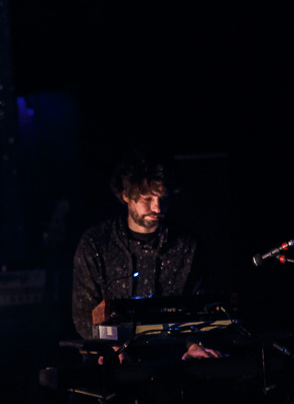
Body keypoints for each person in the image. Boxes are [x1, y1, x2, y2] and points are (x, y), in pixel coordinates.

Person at [71, 149, 220, 360]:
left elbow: (199, 307)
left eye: (162, 198)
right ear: (126, 195)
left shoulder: (186, 245)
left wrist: (195, 344)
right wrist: (115, 348)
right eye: (147, 198)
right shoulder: (96, 243)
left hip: (173, 361)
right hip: (111, 362)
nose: (157, 208)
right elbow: (84, 313)